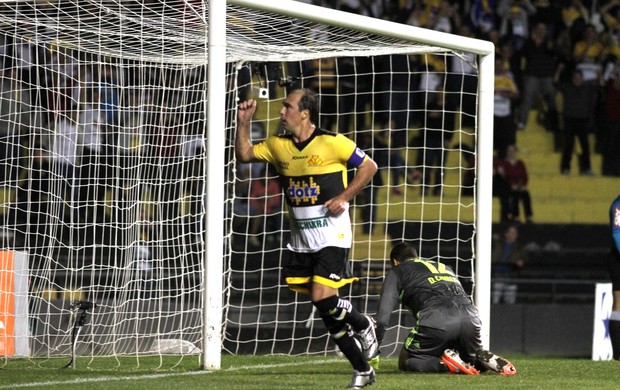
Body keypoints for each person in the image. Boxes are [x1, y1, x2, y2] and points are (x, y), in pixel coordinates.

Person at [235, 88, 380, 388]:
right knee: (327, 310)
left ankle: (364, 324)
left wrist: (344, 195)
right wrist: (243, 122)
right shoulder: (278, 145)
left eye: (287, 107)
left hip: (333, 235)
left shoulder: (333, 142)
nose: (281, 112)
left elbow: (369, 167)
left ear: (305, 113)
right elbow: (245, 154)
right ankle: (363, 369)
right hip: (301, 241)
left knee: (321, 297)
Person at [373, 241, 517, 375]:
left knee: (407, 361)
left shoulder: (398, 270)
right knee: (470, 360)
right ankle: (484, 361)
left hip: (438, 318)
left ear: (395, 262)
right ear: (415, 256)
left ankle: (448, 365)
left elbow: (382, 318)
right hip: (470, 317)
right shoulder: (444, 267)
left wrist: (374, 348)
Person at [491, 224, 527, 304]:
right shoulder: (499, 244)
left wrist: (520, 262)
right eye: (511, 232)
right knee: (495, 300)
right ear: (506, 234)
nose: (513, 235)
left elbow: (523, 259)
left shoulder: (519, 247)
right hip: (498, 275)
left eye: (514, 233)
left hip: (511, 276)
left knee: (510, 303)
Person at [608, 194, 620, 360]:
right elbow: (618, 235)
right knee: (619, 305)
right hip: (619, 259)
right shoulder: (618, 205)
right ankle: (618, 354)